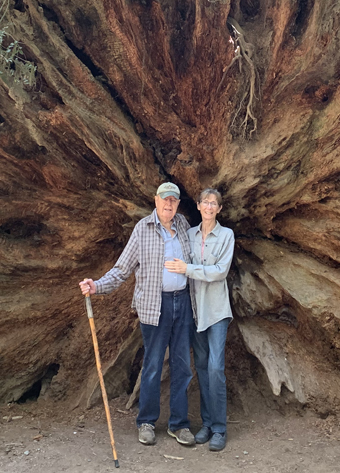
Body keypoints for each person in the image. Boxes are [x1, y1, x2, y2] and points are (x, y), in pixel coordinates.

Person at [79, 182, 197, 447]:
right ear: (156, 201)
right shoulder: (143, 229)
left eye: (173, 200)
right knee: (153, 365)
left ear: (178, 204)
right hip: (155, 305)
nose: (169, 204)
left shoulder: (183, 226)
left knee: (182, 366)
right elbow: (122, 269)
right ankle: (146, 422)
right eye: (165, 199)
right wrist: (97, 285)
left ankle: (179, 425)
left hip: (182, 302)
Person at [165, 187, 234, 452]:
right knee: (202, 368)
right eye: (205, 202)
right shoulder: (190, 234)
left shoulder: (226, 235)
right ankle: (206, 424)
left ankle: (219, 428)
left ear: (219, 209)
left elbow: (220, 271)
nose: (209, 207)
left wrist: (188, 269)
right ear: (198, 205)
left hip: (216, 312)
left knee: (216, 368)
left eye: (214, 203)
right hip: (195, 312)